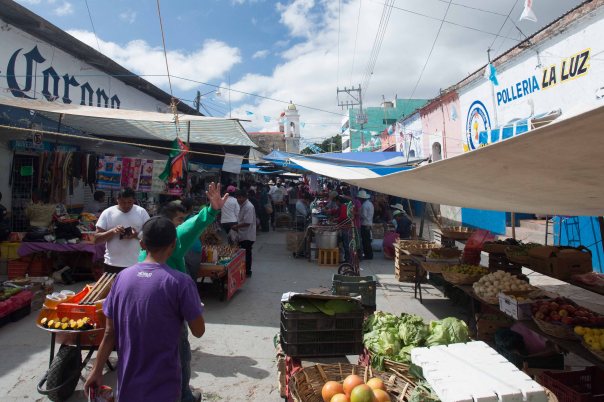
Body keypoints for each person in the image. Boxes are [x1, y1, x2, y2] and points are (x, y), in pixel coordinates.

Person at [84, 217, 206, 402]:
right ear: (173, 245)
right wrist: (194, 307)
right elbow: (198, 331)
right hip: (164, 385)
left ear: (142, 244)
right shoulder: (181, 282)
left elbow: (110, 332)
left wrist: (96, 370)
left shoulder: (121, 278)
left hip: (128, 384)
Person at [139, 183, 226, 402]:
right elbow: (199, 330)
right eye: (179, 221)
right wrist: (212, 210)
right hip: (172, 322)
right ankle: (183, 395)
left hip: (141, 323)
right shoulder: (176, 255)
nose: (182, 225)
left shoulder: (130, 271)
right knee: (179, 357)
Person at [95, 188, 150, 273]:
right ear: (117, 200)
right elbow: (96, 239)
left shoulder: (141, 212)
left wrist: (136, 235)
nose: (126, 205)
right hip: (112, 263)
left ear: (134, 200)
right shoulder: (108, 213)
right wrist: (112, 231)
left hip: (136, 263)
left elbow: (150, 236)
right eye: (123, 202)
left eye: (130, 202)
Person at [231, 190, 256, 277]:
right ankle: (245, 270)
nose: (238, 199)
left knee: (246, 253)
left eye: (240, 197)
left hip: (247, 235)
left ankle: (247, 271)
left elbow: (247, 222)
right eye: (237, 197)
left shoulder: (248, 206)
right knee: (244, 253)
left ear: (245, 197)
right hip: (243, 234)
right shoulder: (243, 205)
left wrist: (236, 227)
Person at [358, 190, 374, 260]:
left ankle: (368, 255)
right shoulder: (370, 204)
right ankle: (369, 254)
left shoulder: (364, 205)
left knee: (365, 241)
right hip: (369, 223)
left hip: (365, 224)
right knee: (367, 240)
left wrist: (359, 214)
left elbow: (364, 215)